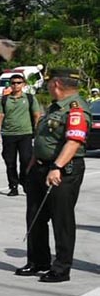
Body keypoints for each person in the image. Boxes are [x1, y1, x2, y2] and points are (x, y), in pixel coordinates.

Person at [17, 70, 92, 282]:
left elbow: (74, 141)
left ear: (56, 83)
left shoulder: (75, 109)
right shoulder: (55, 107)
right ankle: (38, 261)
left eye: (49, 82)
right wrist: (34, 159)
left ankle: (61, 268)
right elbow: (46, 137)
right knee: (35, 216)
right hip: (41, 167)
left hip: (63, 170)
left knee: (61, 220)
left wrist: (57, 166)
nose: (47, 86)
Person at [0, 74, 42, 197]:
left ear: (23, 84)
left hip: (26, 133)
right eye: (13, 83)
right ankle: (13, 186)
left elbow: (36, 115)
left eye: (18, 82)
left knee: (26, 160)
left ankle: (25, 182)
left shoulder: (30, 98)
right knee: (10, 162)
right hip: (9, 134)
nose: (16, 85)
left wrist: (38, 131)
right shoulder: (4, 100)